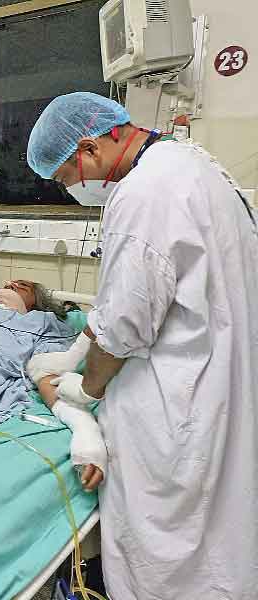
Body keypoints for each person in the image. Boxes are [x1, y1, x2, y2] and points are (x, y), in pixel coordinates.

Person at [26, 92, 258, 599]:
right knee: (224, 538)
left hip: (178, 404)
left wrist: (85, 391)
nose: (71, 190)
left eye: (65, 178)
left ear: (88, 148)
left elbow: (123, 326)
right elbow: (127, 300)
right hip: (223, 373)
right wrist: (74, 352)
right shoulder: (193, 164)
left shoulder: (143, 195)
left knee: (168, 553)